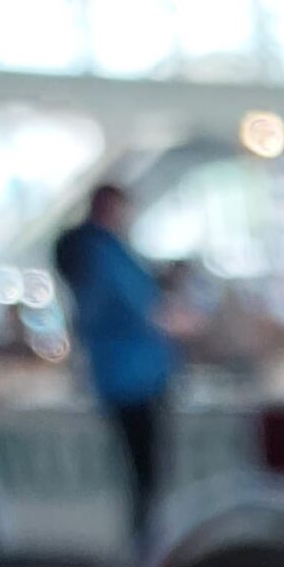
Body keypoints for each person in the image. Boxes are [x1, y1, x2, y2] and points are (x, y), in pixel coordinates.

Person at [54, 181, 179, 544]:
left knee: (143, 470)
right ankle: (149, 545)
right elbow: (142, 310)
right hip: (133, 378)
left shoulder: (94, 254)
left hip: (124, 375)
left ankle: (148, 542)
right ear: (113, 209)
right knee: (145, 471)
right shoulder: (104, 256)